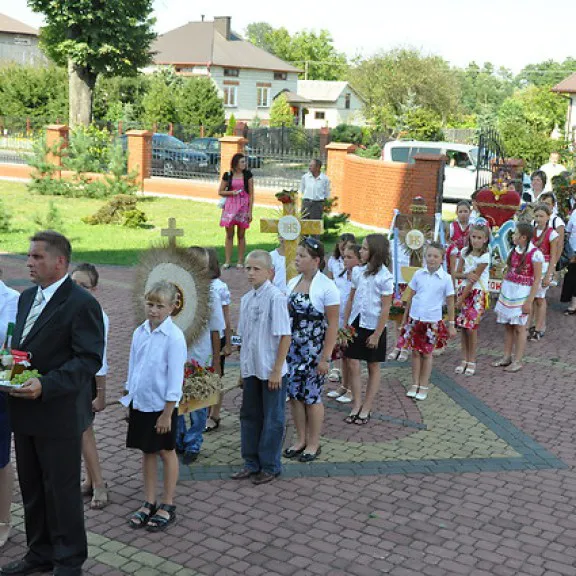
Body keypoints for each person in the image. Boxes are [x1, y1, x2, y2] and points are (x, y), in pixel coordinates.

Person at [2, 231, 104, 576]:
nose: (29, 262)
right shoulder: (27, 297)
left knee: (61, 494)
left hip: (58, 414)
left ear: (60, 262)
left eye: (37, 257)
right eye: (29, 256)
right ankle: (39, 554)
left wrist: (45, 385)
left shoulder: (81, 303)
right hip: (24, 409)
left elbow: (87, 359)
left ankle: (68, 561)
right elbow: (21, 347)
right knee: (32, 491)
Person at [122, 281, 187, 532]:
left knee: (166, 451)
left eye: (160, 306)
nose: (154, 310)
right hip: (141, 403)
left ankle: (168, 503)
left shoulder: (174, 337)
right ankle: (149, 500)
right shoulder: (140, 332)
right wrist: (129, 396)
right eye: (150, 304)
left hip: (163, 408)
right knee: (147, 450)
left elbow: (174, 378)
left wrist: (167, 413)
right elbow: (133, 366)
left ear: (171, 308)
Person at [231, 251, 291, 485]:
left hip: (270, 369)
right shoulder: (247, 299)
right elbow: (242, 338)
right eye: (248, 268)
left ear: (269, 272)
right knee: (249, 414)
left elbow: (284, 335)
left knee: (273, 418)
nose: (251, 273)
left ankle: (270, 465)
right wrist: (241, 370)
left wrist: (277, 369)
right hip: (252, 368)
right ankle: (250, 461)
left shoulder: (276, 298)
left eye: (257, 269)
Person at [284, 238, 339, 463]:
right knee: (295, 395)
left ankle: (314, 443)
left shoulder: (327, 287)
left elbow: (333, 324)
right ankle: (300, 439)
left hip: (314, 351)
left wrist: (325, 358)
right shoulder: (292, 282)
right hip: (293, 350)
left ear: (316, 260)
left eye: (302, 256)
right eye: (296, 255)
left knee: (312, 397)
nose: (296, 259)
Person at [175, 247, 224, 465]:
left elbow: (216, 329)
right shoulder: (175, 292)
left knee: (197, 404)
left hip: (200, 357)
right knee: (175, 400)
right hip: (176, 356)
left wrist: (216, 360)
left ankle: (194, 441)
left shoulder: (211, 295)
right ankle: (177, 439)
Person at [343, 235, 393, 424]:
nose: (360, 251)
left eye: (364, 249)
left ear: (375, 252)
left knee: (373, 365)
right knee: (352, 362)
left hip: (374, 326)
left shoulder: (385, 276)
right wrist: (346, 324)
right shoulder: (358, 272)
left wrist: (377, 334)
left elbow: (386, 307)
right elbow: (351, 298)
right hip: (356, 323)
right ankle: (356, 403)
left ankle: (367, 406)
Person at [71, 263, 110, 510]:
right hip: (72, 379)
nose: (77, 289)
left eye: (83, 285)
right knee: (79, 433)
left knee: (85, 434)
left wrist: (102, 394)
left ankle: (99, 484)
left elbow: (101, 359)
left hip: (89, 381)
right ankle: (88, 479)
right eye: (73, 284)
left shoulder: (97, 314)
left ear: (94, 289)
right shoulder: (68, 307)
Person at [399, 243, 457, 401]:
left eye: (435, 256)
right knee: (415, 352)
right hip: (415, 318)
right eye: (429, 255)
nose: (432, 259)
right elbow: (410, 297)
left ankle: (424, 384)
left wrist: (451, 324)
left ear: (442, 259)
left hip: (431, 321)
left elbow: (451, 302)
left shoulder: (445, 279)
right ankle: (415, 383)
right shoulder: (418, 274)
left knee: (427, 353)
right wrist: (405, 320)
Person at [493, 222, 543, 372]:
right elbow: (509, 269)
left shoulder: (535, 254)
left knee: (520, 327)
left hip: (522, 292)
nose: (513, 236)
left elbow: (537, 279)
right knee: (508, 325)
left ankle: (518, 360)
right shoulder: (514, 250)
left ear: (523, 237)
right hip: (509, 290)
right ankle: (506, 356)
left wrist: (529, 301)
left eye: (515, 233)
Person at [452, 223, 491, 376]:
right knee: (463, 326)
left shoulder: (485, 257)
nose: (475, 240)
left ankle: (472, 360)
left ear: (485, 239)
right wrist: (465, 276)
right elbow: (457, 273)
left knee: (471, 327)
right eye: (473, 237)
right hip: (464, 291)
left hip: (476, 294)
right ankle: (464, 358)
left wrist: (461, 299)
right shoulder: (464, 252)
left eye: (479, 238)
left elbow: (474, 279)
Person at [326, 242, 361, 403]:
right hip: (341, 320)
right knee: (344, 355)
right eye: (344, 257)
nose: (345, 260)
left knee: (352, 358)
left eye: (349, 257)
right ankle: (344, 386)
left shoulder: (360, 276)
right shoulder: (341, 275)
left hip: (355, 320)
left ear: (359, 260)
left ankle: (352, 391)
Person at [0, 271, 18, 550]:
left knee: (0, 458)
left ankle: (3, 520)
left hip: (0, 388)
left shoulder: (14, 301)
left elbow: (18, 349)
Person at [205, 248, 232, 433]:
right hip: (199, 339)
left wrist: (228, 342)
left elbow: (226, 316)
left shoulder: (218, 287)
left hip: (216, 338)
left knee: (216, 375)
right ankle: (201, 409)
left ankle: (214, 414)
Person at [325, 233, 356, 384]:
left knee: (348, 337)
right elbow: (330, 281)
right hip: (337, 302)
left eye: (347, 247)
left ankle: (348, 368)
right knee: (335, 336)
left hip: (350, 303)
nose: (344, 250)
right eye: (341, 246)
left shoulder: (356, 266)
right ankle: (335, 368)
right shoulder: (333, 261)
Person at [528, 204, 559, 341]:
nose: (539, 218)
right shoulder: (532, 231)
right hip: (532, 267)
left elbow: (553, 255)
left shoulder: (552, 233)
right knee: (531, 296)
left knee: (540, 298)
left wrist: (549, 274)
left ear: (548, 217)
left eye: (541, 216)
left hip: (544, 267)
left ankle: (539, 327)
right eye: (537, 216)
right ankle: (529, 325)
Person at [218, 153, 254, 269]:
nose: (245, 164)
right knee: (229, 234)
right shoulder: (228, 175)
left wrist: (250, 211)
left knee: (241, 235)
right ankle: (227, 261)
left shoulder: (248, 175)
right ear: (236, 163)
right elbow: (220, 191)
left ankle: (240, 261)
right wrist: (231, 193)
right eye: (242, 162)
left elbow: (251, 194)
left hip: (243, 206)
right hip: (230, 206)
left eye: (245, 162)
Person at [446, 201, 472, 275]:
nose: (463, 214)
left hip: (467, 260)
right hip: (454, 260)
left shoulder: (473, 227)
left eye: (465, 211)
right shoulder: (452, 226)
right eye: (460, 212)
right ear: (456, 213)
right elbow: (446, 241)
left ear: (470, 212)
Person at [561, 208, 576, 314]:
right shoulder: (575, 212)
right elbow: (568, 230)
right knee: (572, 276)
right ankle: (573, 304)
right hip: (573, 250)